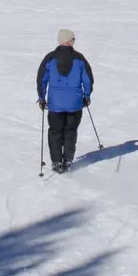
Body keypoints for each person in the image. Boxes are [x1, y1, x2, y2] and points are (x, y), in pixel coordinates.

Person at [36, 28, 94, 173]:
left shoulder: (50, 58)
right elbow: (88, 79)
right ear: (68, 41)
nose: (74, 41)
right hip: (74, 104)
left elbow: (41, 79)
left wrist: (42, 98)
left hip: (55, 104)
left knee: (55, 131)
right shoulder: (79, 58)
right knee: (70, 131)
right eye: (73, 39)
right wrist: (86, 96)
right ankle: (67, 160)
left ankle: (56, 162)